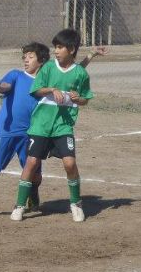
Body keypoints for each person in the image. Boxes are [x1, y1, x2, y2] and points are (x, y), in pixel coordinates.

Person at [0, 42, 102, 219]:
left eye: (30, 57)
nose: (26, 60)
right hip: (7, 133)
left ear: (42, 61)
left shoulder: (47, 79)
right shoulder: (16, 75)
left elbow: (74, 71)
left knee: (34, 174)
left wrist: (91, 55)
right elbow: (6, 85)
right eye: (24, 57)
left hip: (31, 133)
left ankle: (32, 198)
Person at [11, 29, 94, 223]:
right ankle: (20, 205)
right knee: (31, 163)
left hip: (63, 126)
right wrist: (52, 89)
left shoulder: (81, 73)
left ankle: (76, 203)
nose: (55, 51)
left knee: (70, 163)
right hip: (41, 125)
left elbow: (85, 100)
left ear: (71, 49)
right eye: (55, 46)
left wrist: (78, 98)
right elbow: (36, 90)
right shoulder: (48, 68)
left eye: (60, 47)